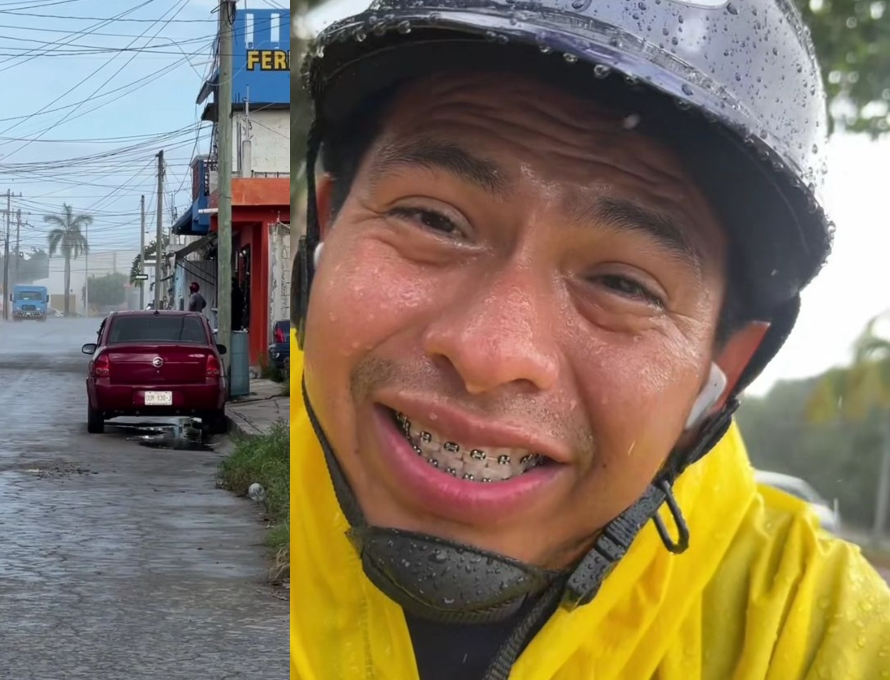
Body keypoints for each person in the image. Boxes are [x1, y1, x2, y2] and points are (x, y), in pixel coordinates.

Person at [289, 1, 890, 679]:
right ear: (327, 232)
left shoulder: (803, 630)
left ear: (721, 374)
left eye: (624, 284)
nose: (490, 355)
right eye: (433, 220)